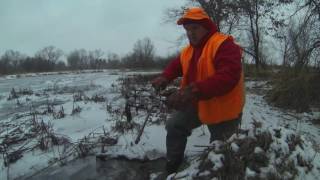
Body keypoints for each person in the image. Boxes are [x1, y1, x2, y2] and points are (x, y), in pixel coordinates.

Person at [151, 7, 245, 174]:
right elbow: (176, 66)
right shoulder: (188, 51)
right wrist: (164, 77)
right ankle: (172, 170)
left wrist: (192, 91)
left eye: (195, 28)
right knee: (174, 125)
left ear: (206, 27)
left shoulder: (223, 44)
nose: (190, 33)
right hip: (199, 101)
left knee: (219, 153)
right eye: (187, 29)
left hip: (224, 108)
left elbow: (229, 77)